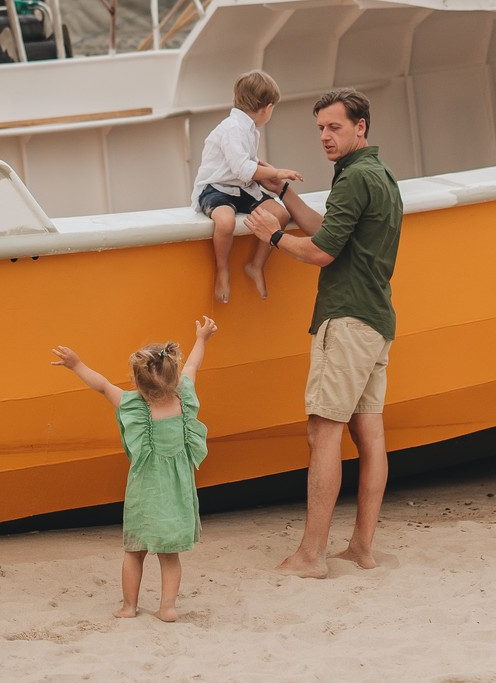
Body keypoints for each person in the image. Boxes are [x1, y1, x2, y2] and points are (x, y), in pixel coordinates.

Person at [244, 88, 402, 578]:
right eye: (320, 129)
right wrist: (283, 193)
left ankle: (311, 556)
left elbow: (320, 252)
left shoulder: (355, 179)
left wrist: (271, 236)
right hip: (377, 319)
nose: (325, 137)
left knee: (323, 430)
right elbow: (329, 229)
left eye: (334, 127)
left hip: (349, 318)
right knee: (369, 435)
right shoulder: (378, 176)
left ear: (361, 127)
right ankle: (361, 548)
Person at [50, 317, 218, 622]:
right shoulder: (186, 397)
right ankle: (167, 607)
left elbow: (101, 385)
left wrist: (76, 364)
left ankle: (129, 606)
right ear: (174, 375)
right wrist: (202, 338)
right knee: (170, 556)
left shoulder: (133, 405)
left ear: (136, 381)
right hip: (177, 493)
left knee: (134, 551)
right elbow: (194, 365)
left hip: (145, 492)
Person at [191, 69, 303, 303]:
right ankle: (222, 269)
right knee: (226, 221)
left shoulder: (249, 130)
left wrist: (263, 171)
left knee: (280, 215)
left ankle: (256, 264)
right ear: (267, 108)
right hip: (216, 188)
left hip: (240, 188)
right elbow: (242, 168)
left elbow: (247, 168)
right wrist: (277, 172)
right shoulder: (233, 128)